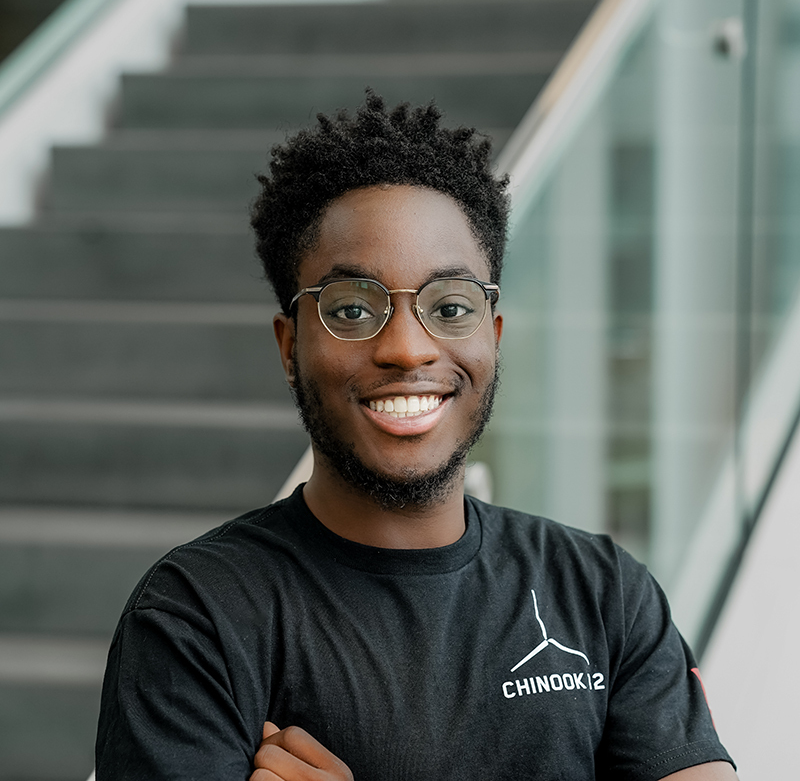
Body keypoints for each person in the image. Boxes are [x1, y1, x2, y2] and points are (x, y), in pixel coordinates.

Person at [95, 93, 737, 780]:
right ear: (290, 347)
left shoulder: (604, 593)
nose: (406, 348)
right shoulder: (198, 616)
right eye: (351, 308)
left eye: (450, 306)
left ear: (491, 335)